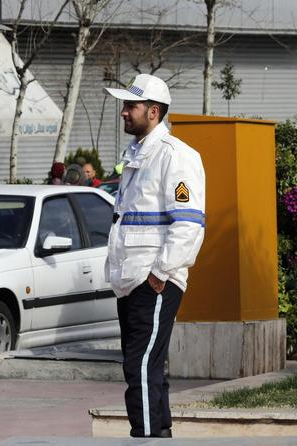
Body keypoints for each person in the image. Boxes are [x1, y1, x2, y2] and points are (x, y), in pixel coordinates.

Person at [103, 74, 205, 438]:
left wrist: (160, 273)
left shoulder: (175, 156)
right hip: (131, 281)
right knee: (147, 368)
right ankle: (158, 435)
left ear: (154, 111)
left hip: (154, 281)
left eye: (131, 106)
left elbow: (189, 224)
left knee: (141, 367)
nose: (124, 113)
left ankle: (144, 437)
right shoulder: (137, 155)